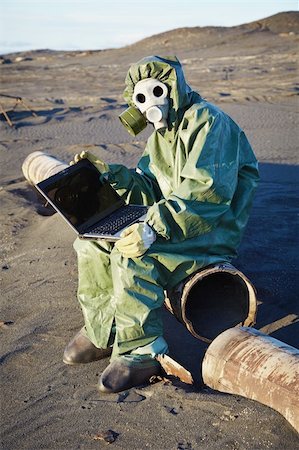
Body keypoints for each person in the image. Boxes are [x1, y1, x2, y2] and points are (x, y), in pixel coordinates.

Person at [63, 55, 259, 393]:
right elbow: (150, 187)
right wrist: (111, 176)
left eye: (156, 91)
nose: (150, 103)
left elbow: (206, 194)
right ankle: (104, 331)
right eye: (140, 98)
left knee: (132, 256)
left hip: (209, 230)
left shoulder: (208, 123)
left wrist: (152, 227)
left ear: (174, 88)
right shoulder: (161, 135)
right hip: (173, 220)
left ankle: (143, 352)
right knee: (91, 242)